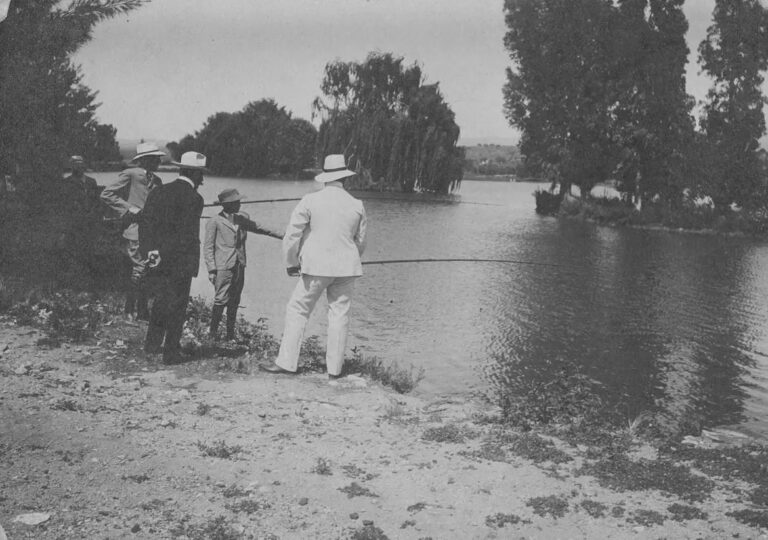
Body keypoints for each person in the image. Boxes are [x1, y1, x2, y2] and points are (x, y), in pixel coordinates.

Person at [261, 154, 367, 379]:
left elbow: (292, 235)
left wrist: (291, 263)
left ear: (325, 177)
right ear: (345, 178)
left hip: (316, 267)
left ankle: (287, 362)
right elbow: (360, 242)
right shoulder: (357, 204)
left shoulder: (310, 200)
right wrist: (347, 260)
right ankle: (335, 370)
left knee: (298, 309)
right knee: (340, 315)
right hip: (346, 268)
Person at [139, 151, 206, 365]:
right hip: (180, 260)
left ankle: (151, 345)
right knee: (177, 305)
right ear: (195, 174)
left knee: (160, 300)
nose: (203, 179)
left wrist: (151, 251)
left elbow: (146, 223)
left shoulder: (159, 191)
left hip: (157, 258)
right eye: (201, 174)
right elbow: (186, 235)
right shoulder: (195, 199)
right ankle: (170, 353)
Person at [203, 188, 283, 341]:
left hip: (239, 265)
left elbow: (260, 228)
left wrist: (285, 235)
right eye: (236, 202)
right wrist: (211, 270)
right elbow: (208, 248)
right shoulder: (214, 221)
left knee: (235, 300)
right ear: (227, 204)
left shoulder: (242, 219)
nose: (239, 204)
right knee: (220, 299)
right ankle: (212, 335)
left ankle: (230, 335)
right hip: (223, 267)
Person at [100, 142, 165, 320]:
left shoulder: (158, 181)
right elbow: (107, 194)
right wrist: (129, 208)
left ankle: (142, 311)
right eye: (156, 159)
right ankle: (129, 310)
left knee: (148, 269)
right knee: (140, 268)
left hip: (152, 233)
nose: (159, 162)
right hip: (135, 230)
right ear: (145, 160)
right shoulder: (131, 174)